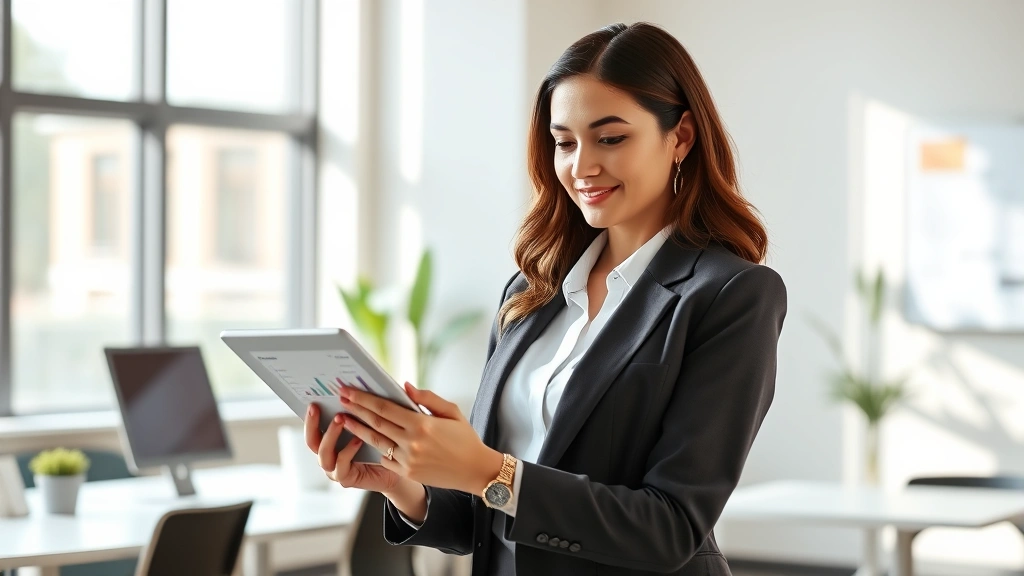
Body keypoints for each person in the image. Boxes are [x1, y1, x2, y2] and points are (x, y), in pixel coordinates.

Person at [305, 21, 787, 576]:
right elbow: (489, 516)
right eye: (564, 142)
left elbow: (670, 527)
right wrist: (405, 485)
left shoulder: (732, 295)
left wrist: (489, 471)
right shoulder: (531, 292)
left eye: (610, 138)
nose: (581, 167)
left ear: (680, 136)